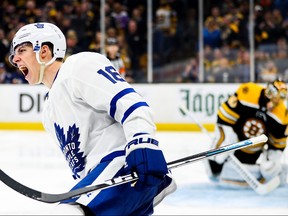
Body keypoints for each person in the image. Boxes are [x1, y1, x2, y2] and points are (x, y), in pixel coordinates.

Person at [9, 22, 176, 215]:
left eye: (22, 49)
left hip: (124, 166)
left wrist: (143, 142)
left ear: (43, 50)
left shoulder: (78, 66)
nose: (15, 58)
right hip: (108, 184)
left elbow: (129, 102)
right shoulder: (48, 110)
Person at [206, 80, 288, 188]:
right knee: (218, 157)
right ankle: (217, 164)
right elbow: (225, 117)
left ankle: (275, 172)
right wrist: (224, 139)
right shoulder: (248, 92)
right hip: (235, 140)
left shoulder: (282, 116)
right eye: (270, 94)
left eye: (277, 99)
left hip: (253, 151)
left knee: (269, 169)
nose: (271, 102)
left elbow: (277, 145)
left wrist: (272, 161)